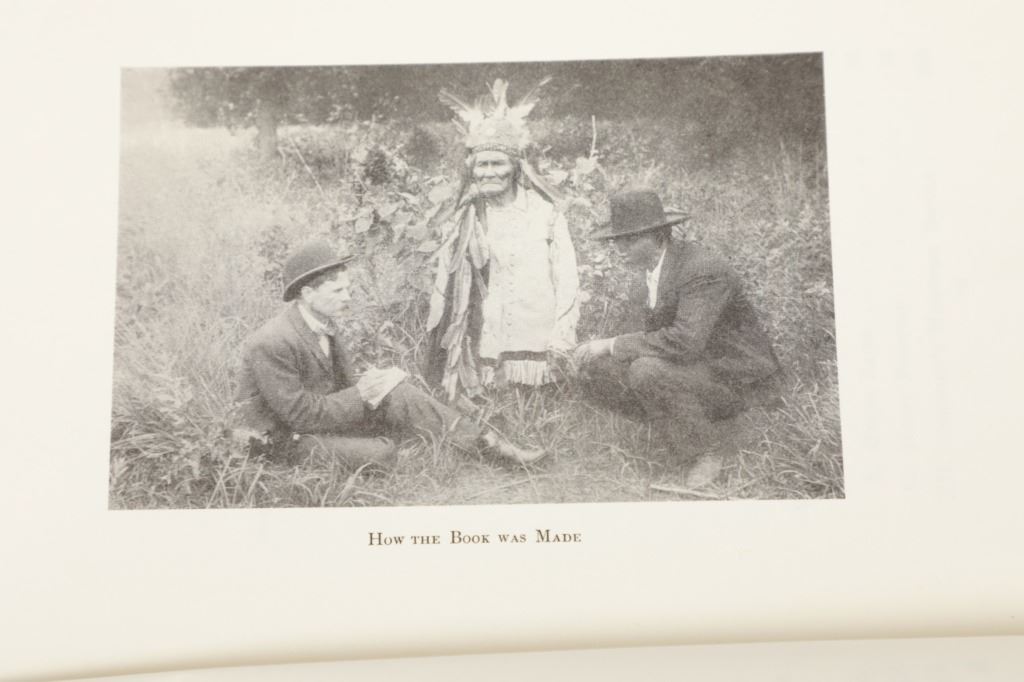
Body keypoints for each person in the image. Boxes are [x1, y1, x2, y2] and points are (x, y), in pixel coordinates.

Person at [235, 240, 546, 470]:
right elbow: (301, 417)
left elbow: (337, 387)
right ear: (307, 294)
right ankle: (388, 446)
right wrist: (364, 393)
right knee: (383, 454)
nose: (348, 297)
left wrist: (377, 385)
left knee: (401, 393)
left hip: (320, 418)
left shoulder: (321, 320)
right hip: (285, 439)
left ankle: (489, 445)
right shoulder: (271, 342)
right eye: (338, 291)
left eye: (348, 289)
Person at [573, 190, 781, 480]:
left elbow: (685, 341)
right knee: (598, 367)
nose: (620, 248)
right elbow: (639, 336)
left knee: (646, 370)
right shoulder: (646, 277)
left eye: (630, 240)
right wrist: (591, 350)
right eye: (616, 240)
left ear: (658, 235)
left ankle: (707, 451)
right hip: (696, 371)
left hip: (738, 380)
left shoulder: (703, 270)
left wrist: (612, 344)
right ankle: (675, 429)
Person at [425, 78, 579, 401]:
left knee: (541, 407)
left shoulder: (547, 215)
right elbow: (442, 289)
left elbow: (567, 283)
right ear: (471, 169)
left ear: (516, 168)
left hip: (539, 361)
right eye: (482, 165)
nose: (489, 172)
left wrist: (561, 343)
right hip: (482, 362)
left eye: (498, 163)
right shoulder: (463, 219)